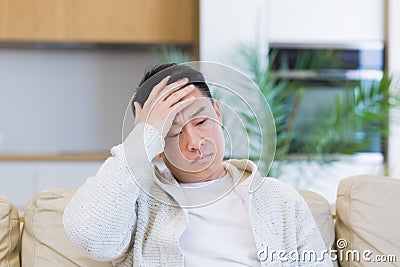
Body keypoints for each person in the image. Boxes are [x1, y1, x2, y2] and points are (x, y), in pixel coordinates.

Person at [63, 63, 332, 266]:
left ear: (217, 112)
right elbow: (89, 236)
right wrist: (142, 138)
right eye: (172, 132)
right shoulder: (139, 202)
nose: (194, 142)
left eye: (201, 121)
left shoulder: (278, 198)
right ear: (156, 147)